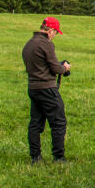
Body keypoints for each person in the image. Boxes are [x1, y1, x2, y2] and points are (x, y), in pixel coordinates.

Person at [22, 16, 71, 163]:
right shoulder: (46, 44)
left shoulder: (29, 44)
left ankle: (35, 157)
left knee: (35, 124)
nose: (54, 36)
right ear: (50, 30)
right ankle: (58, 157)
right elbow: (55, 68)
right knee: (59, 122)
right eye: (55, 33)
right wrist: (65, 68)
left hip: (33, 88)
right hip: (47, 89)